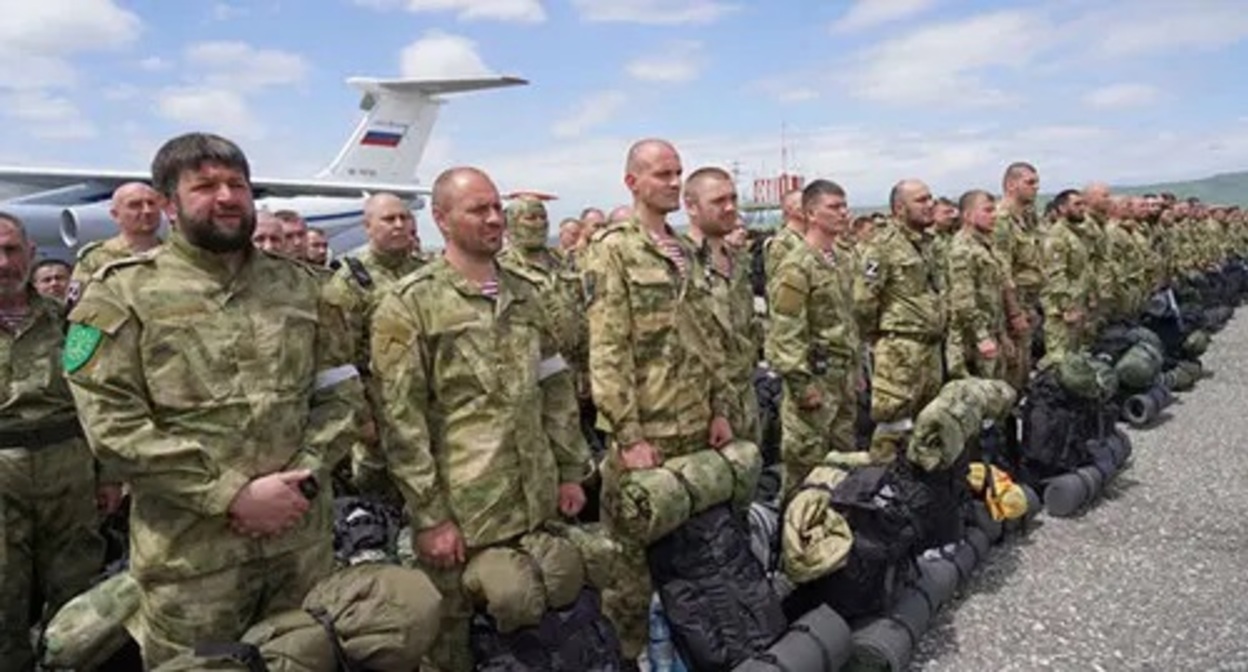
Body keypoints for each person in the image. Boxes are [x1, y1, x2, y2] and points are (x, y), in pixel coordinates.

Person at [64, 132, 365, 667]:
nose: (226, 197)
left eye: (237, 185)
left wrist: (306, 476)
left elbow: (340, 395)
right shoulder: (118, 293)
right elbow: (110, 426)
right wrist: (231, 495)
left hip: (301, 548)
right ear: (168, 206)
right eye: (204, 186)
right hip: (191, 563)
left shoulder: (307, 288)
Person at [370, 167, 591, 672]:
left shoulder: (524, 293)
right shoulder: (409, 304)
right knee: (453, 641)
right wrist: (430, 517)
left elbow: (554, 383)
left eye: (497, 208)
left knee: (533, 617)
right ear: (442, 219)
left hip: (533, 496)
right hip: (464, 513)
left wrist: (570, 468)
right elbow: (400, 421)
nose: (495, 219)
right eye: (479, 210)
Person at [582, 138, 733, 662]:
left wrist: (717, 407)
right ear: (633, 183)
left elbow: (706, 336)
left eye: (677, 173)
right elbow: (607, 350)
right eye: (661, 174)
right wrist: (628, 436)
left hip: (693, 429)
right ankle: (627, 656)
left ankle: (687, 649)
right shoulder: (613, 250)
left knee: (690, 555)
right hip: (645, 439)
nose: (672, 182)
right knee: (629, 566)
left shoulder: (686, 250)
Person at [0, 213, 108, 669]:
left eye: (11, 250)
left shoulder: (71, 321)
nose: (3, 261)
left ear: (30, 255)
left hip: (69, 467)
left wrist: (110, 473)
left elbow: (102, 395)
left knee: (76, 588)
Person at [325, 193, 427, 498]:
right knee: (382, 503)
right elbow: (338, 362)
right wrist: (363, 420)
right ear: (368, 226)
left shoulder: (426, 272)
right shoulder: (350, 282)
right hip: (382, 415)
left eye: (404, 217)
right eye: (389, 219)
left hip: (428, 408)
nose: (399, 224)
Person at [766, 179, 860, 495]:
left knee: (844, 462)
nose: (843, 213)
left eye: (844, 205)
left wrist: (857, 369)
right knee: (806, 465)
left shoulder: (843, 259)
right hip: (815, 379)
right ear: (810, 214)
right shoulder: (796, 265)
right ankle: (794, 532)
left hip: (843, 376)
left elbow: (848, 320)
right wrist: (802, 386)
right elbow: (785, 331)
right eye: (834, 207)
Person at [853, 179, 946, 463]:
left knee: (928, 426)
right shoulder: (882, 246)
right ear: (899, 208)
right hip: (899, 349)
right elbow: (863, 300)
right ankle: (881, 490)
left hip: (930, 349)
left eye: (930, 198)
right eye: (921, 200)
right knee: (893, 427)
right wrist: (877, 338)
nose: (929, 204)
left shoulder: (930, 243)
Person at [685, 167, 761, 444]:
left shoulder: (737, 260)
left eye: (733, 199)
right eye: (718, 201)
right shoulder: (680, 264)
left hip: (745, 395)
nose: (730, 208)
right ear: (691, 207)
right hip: (701, 409)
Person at [945, 190, 1013, 380]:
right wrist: (982, 337)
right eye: (988, 210)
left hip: (991, 332)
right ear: (967, 215)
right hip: (972, 340)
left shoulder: (984, 244)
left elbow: (993, 295)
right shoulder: (962, 248)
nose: (995, 216)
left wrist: (1001, 334)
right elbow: (963, 300)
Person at [68, 181, 163, 304]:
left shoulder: (176, 254)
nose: (147, 211)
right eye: (135, 205)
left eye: (151, 203)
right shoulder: (95, 259)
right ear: (115, 215)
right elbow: (77, 309)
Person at [993, 162, 1043, 391]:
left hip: (1028, 304)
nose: (1036, 187)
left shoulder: (1026, 218)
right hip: (1010, 311)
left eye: (1037, 182)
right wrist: (1014, 313)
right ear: (1011, 185)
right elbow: (1001, 271)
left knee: (1023, 370)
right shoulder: (1001, 220)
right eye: (1030, 182)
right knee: (1011, 372)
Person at [1039, 189, 1096, 367]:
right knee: (1059, 360)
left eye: (1083, 204)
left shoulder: (1076, 233)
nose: (1082, 209)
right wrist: (1067, 307)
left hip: (1078, 302)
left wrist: (1090, 296)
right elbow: (1056, 274)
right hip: (1062, 310)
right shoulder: (1057, 236)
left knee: (1074, 356)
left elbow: (1084, 269)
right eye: (1077, 204)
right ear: (1063, 209)